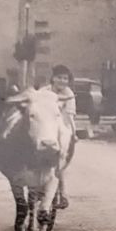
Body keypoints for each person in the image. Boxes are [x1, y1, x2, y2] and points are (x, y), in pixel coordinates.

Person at [49, 65, 78, 209]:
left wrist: (74, 133)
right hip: (46, 126)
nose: (62, 81)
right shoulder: (45, 92)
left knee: (60, 160)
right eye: (59, 77)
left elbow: (69, 116)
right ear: (53, 78)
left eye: (65, 78)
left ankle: (62, 192)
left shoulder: (69, 94)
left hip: (61, 126)